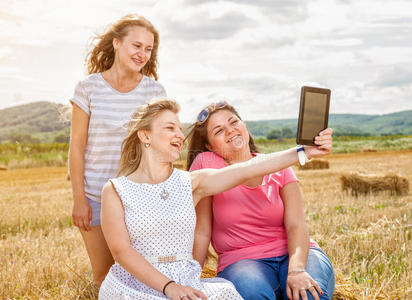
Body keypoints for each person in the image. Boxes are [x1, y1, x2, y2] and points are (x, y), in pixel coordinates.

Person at [98, 98, 332, 300]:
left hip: (181, 277)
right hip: (135, 284)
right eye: (170, 128)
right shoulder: (116, 190)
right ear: (145, 135)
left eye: (180, 129)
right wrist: (170, 287)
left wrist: (304, 152)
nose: (180, 136)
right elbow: (121, 251)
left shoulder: (191, 182)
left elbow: (248, 168)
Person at [186, 101, 335, 300]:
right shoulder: (207, 164)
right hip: (241, 260)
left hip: (293, 253)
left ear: (244, 124)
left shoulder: (280, 166)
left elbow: (296, 224)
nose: (231, 131)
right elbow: (202, 230)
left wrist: (297, 269)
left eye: (233, 122)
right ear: (209, 146)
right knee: (254, 293)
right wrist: (188, 279)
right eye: (219, 131)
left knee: (308, 294)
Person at [68, 14, 166, 286]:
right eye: (136, 46)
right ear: (116, 44)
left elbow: (157, 147)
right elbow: (77, 146)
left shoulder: (153, 90)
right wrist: (79, 199)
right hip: (95, 195)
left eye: (148, 49)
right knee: (104, 276)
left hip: (137, 196)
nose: (142, 54)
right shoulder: (88, 87)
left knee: (141, 275)